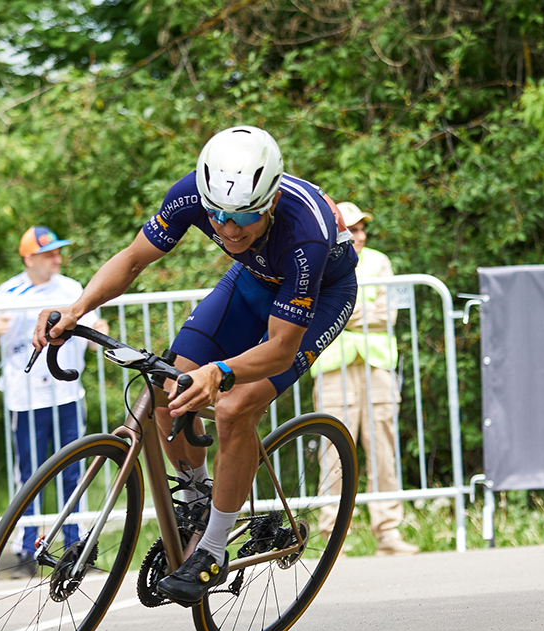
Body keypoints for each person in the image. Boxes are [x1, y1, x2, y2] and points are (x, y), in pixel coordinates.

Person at [33, 125, 358, 605]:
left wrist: (220, 372)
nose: (227, 228)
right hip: (252, 281)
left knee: (235, 407)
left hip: (321, 294)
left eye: (244, 217)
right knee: (170, 388)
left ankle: (213, 546)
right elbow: (133, 259)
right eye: (218, 216)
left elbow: (282, 348)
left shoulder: (304, 233)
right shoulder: (191, 195)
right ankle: (199, 496)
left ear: (268, 203)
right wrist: (77, 308)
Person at [0, 226, 109, 575]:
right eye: (48, 253)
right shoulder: (6, 292)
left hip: (66, 394)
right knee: (30, 475)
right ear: (29, 258)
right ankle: (26, 551)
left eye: (57, 251)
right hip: (24, 398)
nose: (57, 257)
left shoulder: (70, 288)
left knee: (74, 469)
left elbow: (94, 330)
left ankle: (75, 549)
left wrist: (102, 332)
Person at [311, 202, 419, 556]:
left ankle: (387, 533)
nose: (359, 235)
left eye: (362, 229)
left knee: (383, 451)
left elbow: (386, 314)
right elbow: (318, 314)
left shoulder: (379, 260)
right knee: (333, 454)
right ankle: (331, 537)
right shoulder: (317, 257)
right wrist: (355, 310)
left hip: (377, 368)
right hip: (332, 369)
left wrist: (345, 310)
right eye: (352, 229)